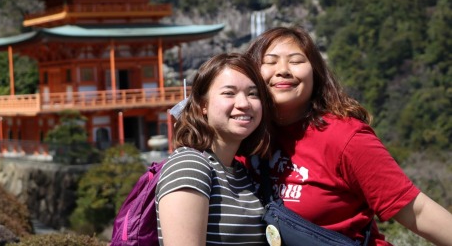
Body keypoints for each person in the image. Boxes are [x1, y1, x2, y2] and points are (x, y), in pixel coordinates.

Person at [244, 25, 452, 245]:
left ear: (316, 73)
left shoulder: (345, 138)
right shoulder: (243, 139)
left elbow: (417, 211)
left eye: (296, 61)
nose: (283, 70)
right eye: (270, 61)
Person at [155, 53, 276, 245]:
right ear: (203, 105)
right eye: (229, 93)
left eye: (253, 94)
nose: (244, 103)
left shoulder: (241, 172)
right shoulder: (190, 165)